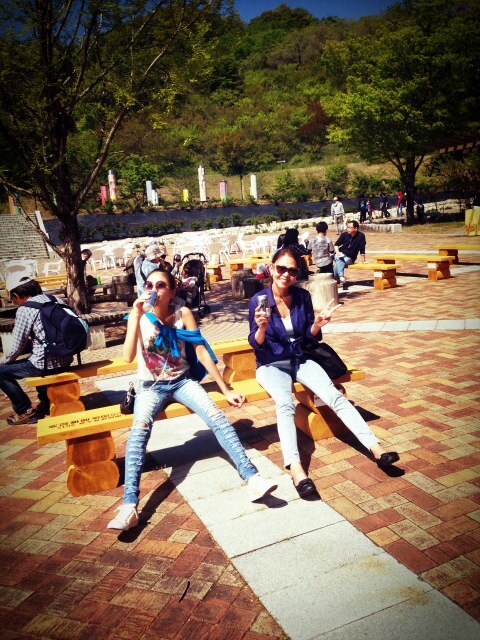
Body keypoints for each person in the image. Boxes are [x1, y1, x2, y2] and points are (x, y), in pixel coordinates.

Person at [107, 269, 277, 531]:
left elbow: (201, 350)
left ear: (172, 291)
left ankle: (252, 478)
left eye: (160, 285)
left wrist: (224, 389)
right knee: (138, 432)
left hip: (182, 381)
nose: (154, 290)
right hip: (150, 386)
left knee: (217, 418)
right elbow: (128, 357)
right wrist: (136, 315)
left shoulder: (183, 313)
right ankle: (129, 505)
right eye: (149, 285)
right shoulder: (138, 315)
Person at [248, 249, 400, 497]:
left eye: (292, 270)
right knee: (285, 404)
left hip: (300, 358)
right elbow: (256, 344)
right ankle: (296, 469)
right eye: (281, 268)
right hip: (271, 364)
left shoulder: (302, 296)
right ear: (272, 268)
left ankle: (377, 449)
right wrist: (261, 327)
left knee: (334, 396)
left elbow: (309, 337)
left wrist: (317, 325)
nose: (286, 275)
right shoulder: (259, 300)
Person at [0, 274, 74, 424]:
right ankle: (46, 403)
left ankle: (25, 411)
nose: (13, 302)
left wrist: (3, 362)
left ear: (16, 295)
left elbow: (16, 347)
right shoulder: (56, 300)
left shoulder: (25, 309)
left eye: (12, 298)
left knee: (2, 371)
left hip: (45, 364)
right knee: (34, 357)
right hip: (66, 358)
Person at [333, 220, 366, 286]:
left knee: (338, 263)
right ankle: (341, 277)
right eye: (347, 227)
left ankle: (336, 279)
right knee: (338, 257)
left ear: (355, 228)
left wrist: (363, 261)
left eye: (350, 227)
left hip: (350, 258)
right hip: (340, 254)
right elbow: (336, 244)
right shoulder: (344, 235)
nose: (348, 229)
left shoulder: (361, 236)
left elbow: (362, 249)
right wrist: (337, 252)